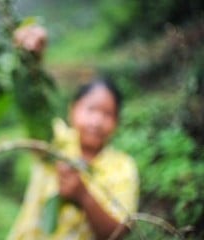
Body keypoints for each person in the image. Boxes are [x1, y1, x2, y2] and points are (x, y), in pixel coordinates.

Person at [8, 25, 139, 240]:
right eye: (91, 109)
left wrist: (83, 195)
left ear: (117, 122)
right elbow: (34, 112)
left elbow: (118, 232)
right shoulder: (55, 141)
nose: (97, 121)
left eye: (107, 114)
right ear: (72, 110)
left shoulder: (123, 167)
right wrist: (30, 63)